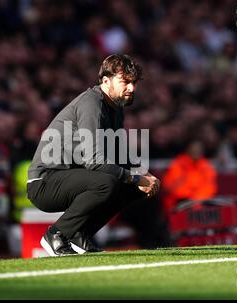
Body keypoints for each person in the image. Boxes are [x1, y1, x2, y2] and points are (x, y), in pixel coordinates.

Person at [27, 54, 160, 256]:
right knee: (108, 182)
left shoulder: (115, 108)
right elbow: (95, 161)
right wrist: (136, 177)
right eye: (125, 82)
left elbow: (119, 153)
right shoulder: (92, 103)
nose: (131, 88)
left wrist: (145, 176)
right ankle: (56, 234)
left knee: (133, 187)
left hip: (71, 178)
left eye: (133, 83)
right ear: (106, 81)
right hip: (45, 182)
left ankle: (80, 235)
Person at [161, 139, 218, 215]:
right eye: (194, 148)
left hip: (200, 202)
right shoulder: (178, 164)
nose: (196, 151)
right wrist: (191, 199)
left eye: (199, 149)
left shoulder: (206, 166)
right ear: (187, 149)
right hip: (180, 202)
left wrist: (196, 199)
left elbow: (210, 187)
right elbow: (172, 188)